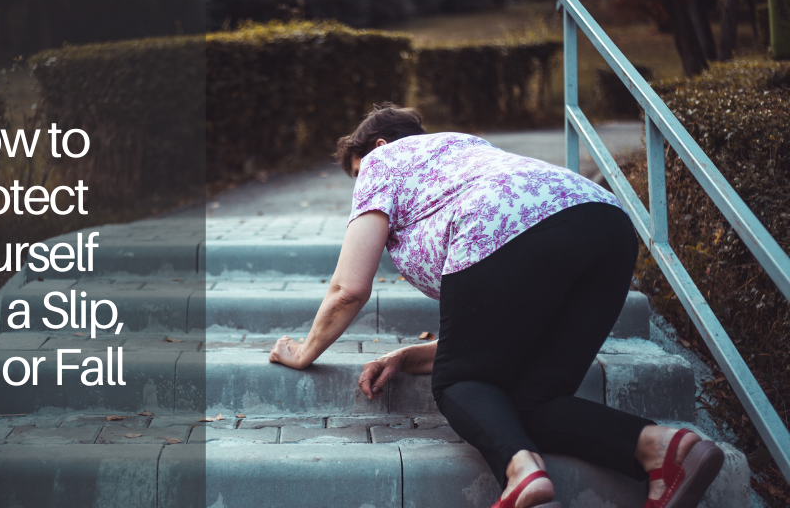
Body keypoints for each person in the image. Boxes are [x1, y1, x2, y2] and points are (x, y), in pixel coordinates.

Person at [268, 103, 724, 508]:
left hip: (509, 230)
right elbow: (502, 328)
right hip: (605, 225)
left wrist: (304, 350)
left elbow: (349, 288)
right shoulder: (463, 151)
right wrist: (408, 355)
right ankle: (666, 449)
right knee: (530, 401)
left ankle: (522, 474)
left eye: (356, 172)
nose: (360, 189)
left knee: (460, 382)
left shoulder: (383, 159)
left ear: (379, 145)